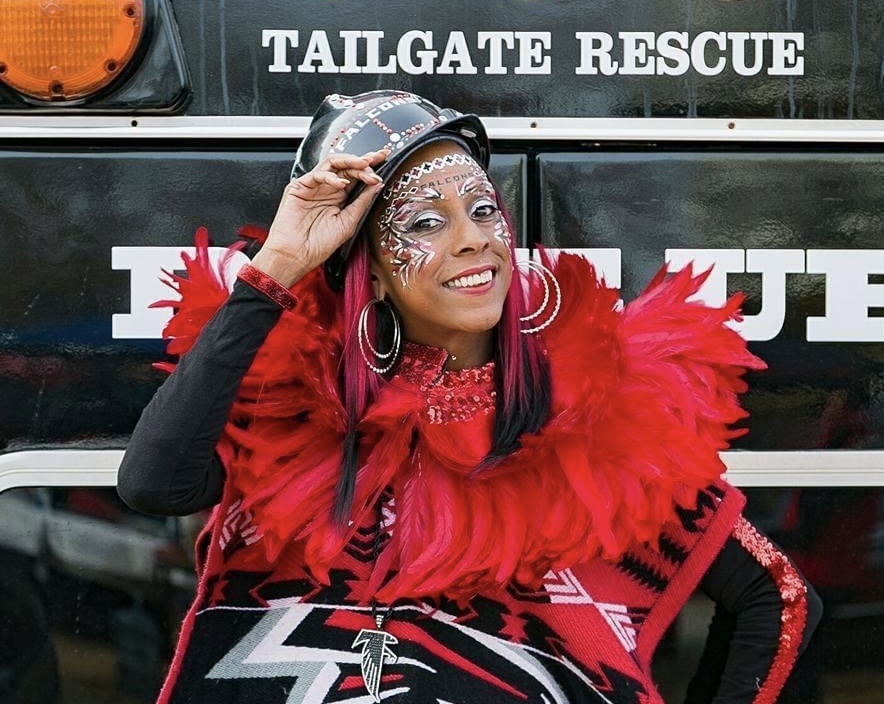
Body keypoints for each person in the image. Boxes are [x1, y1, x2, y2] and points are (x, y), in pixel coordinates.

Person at [118, 90, 821, 704]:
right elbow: (154, 483)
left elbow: (778, 599)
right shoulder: (294, 397)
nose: (472, 242)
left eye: (483, 210)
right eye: (426, 223)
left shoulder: (597, 407)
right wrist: (277, 265)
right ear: (373, 271)